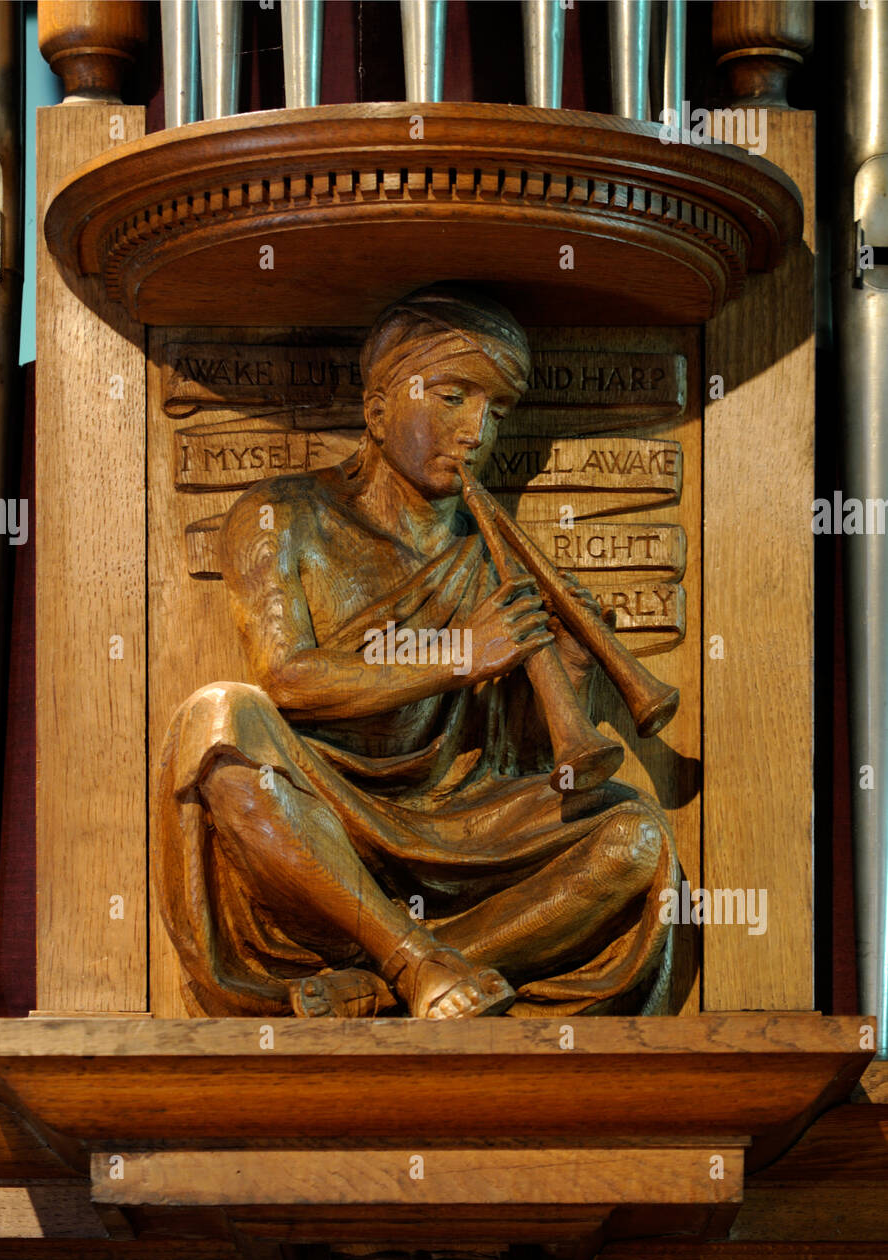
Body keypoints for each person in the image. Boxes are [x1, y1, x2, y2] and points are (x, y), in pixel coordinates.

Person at [156, 284, 680, 1020]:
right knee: (219, 718)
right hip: (321, 808)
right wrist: (464, 652)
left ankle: (385, 979)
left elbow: (525, 762)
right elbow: (287, 678)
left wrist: (573, 672)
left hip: (458, 823)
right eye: (454, 396)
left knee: (637, 840)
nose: (477, 432)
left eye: (497, 412)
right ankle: (416, 958)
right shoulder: (282, 516)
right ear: (376, 410)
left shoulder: (495, 552)